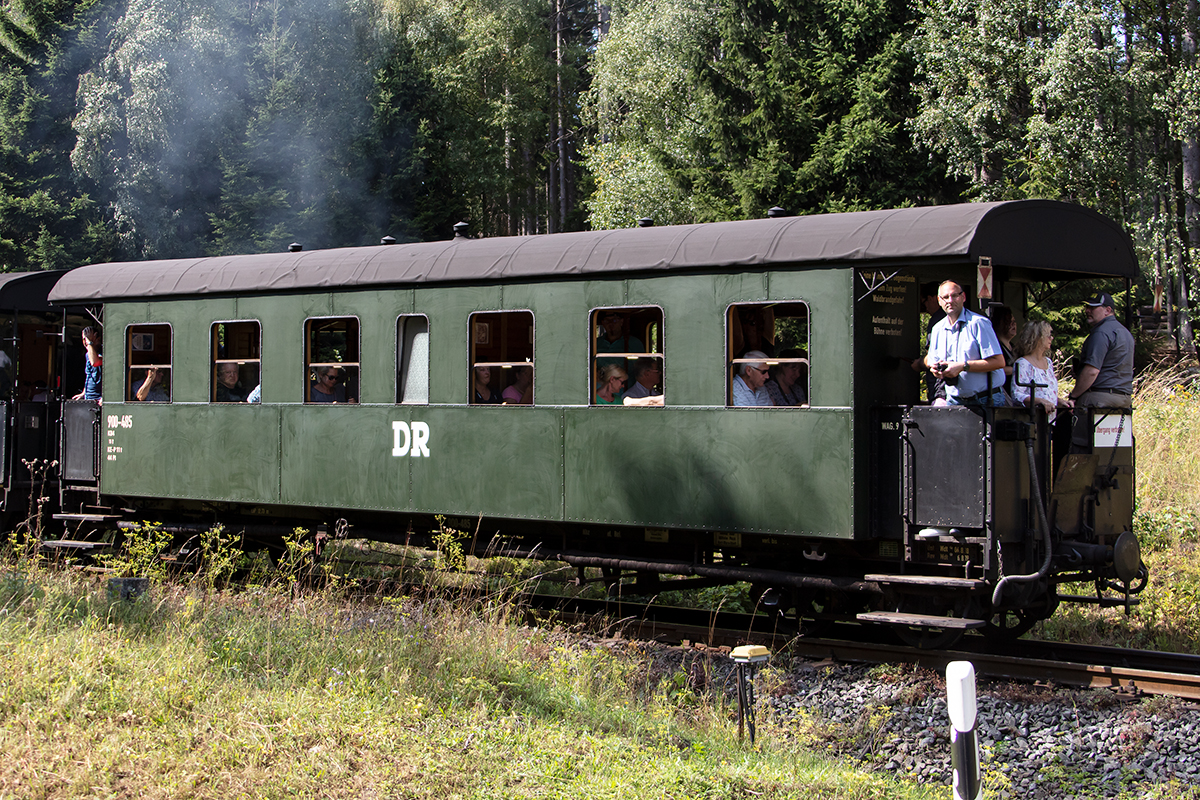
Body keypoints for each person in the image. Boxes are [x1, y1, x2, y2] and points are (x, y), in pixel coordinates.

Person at [923, 281, 1006, 407]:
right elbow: (933, 364)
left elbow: (999, 362)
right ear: (939, 301)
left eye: (954, 296)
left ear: (963, 297)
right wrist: (936, 371)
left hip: (985, 400)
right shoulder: (937, 329)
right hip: (954, 401)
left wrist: (963, 366)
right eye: (945, 297)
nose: (950, 301)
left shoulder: (979, 323)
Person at [1067, 293, 1135, 408]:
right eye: (1087, 307)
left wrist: (1073, 396)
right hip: (1124, 400)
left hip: (1099, 399)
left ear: (1107, 310)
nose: (1087, 311)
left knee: (1081, 425)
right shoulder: (1125, 332)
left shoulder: (1101, 333)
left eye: (1093, 308)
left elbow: (1092, 371)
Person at [1011, 321, 1071, 421]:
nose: (1051, 338)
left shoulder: (1048, 362)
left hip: (1049, 420)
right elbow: (1017, 395)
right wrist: (1039, 401)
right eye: (1048, 335)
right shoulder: (1023, 363)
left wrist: (1059, 401)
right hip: (1031, 420)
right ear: (1037, 338)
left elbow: (1047, 392)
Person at [990, 305, 1018, 399]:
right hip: (1002, 395)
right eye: (1009, 322)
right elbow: (993, 369)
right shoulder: (994, 347)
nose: (1013, 325)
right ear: (1000, 323)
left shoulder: (1015, 348)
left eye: (1014, 321)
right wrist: (1016, 370)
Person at [73, 326, 102, 401]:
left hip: (99, 396)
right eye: (84, 339)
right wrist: (84, 393)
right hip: (90, 396)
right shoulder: (87, 354)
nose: (85, 342)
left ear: (97, 338)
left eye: (87, 338)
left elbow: (95, 362)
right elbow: (89, 375)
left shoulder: (104, 351)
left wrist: (90, 343)